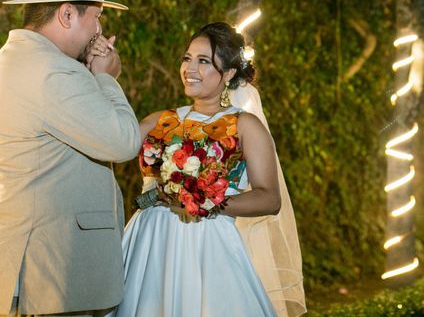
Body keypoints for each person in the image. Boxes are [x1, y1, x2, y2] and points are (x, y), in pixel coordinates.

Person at [109, 22, 305, 316]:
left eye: (204, 62)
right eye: (187, 58)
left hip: (207, 245)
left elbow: (269, 198)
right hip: (149, 244)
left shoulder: (243, 126)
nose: (190, 68)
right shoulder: (160, 120)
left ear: (227, 74)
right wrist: (102, 77)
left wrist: (207, 203)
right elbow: (110, 144)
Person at [0, 0, 141, 316]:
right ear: (66, 15)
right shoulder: (55, 72)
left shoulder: (11, 60)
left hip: (23, 264)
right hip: (52, 274)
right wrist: (106, 77)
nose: (98, 29)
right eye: (95, 17)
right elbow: (124, 141)